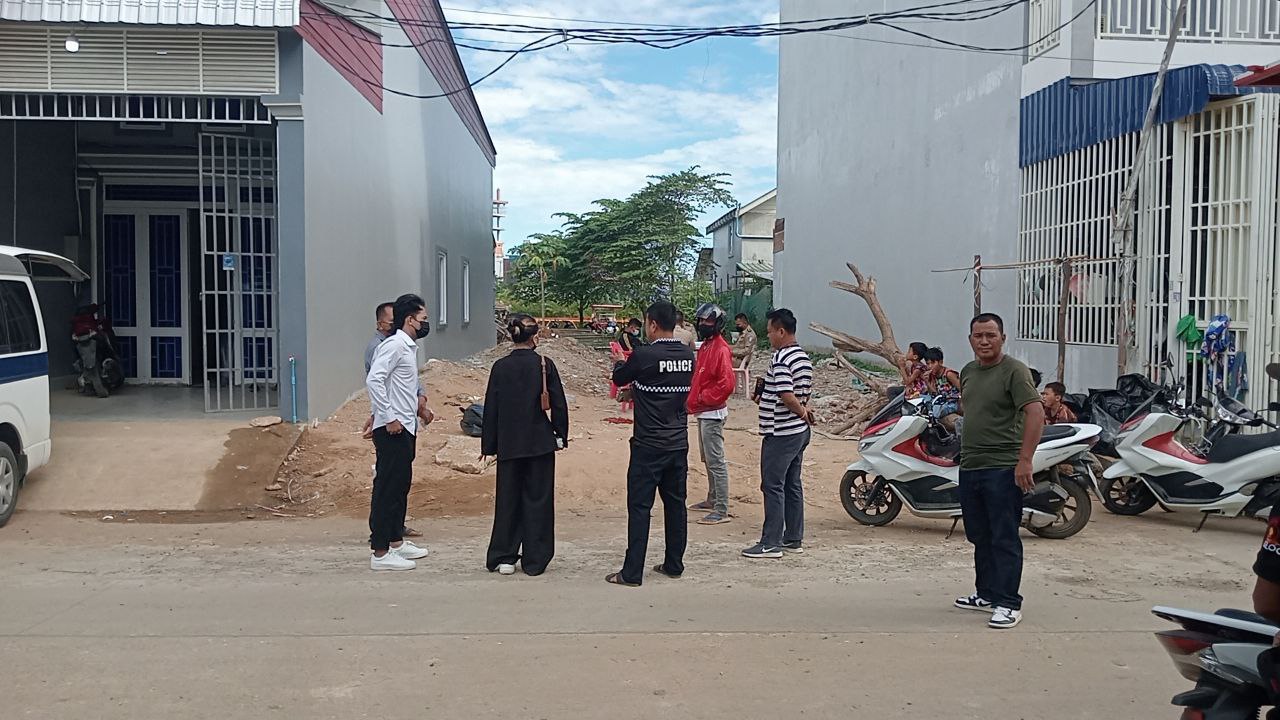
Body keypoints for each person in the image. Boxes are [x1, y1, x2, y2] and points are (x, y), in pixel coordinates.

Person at [953, 312, 1044, 629]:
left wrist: (1025, 460)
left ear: (1002, 338)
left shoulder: (1014, 371)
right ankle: (986, 593)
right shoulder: (968, 372)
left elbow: (1035, 412)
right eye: (978, 335)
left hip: (1002, 467)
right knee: (979, 534)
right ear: (970, 339)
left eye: (991, 335)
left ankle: (1008, 602)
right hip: (971, 465)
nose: (984, 341)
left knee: (1004, 535)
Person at [605, 301, 695, 586]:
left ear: (653, 324)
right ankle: (674, 564)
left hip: (648, 444)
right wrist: (638, 391)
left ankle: (632, 572)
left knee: (640, 507)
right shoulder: (688, 355)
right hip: (677, 442)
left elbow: (620, 377)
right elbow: (660, 387)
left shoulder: (645, 355)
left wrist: (619, 361)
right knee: (676, 505)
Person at [480, 313, 569, 577]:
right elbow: (559, 404)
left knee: (507, 500)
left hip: (509, 442)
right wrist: (560, 434)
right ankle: (535, 560)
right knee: (538, 499)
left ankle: (504, 557)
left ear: (511, 336)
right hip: (539, 442)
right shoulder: (545, 364)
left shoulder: (500, 367)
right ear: (535, 336)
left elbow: (491, 407)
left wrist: (489, 445)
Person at [365, 294, 434, 571]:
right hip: (393, 428)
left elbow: (400, 387)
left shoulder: (407, 347)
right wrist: (388, 417)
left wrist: (419, 411)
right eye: (423, 318)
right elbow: (375, 379)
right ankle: (380, 552)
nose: (425, 323)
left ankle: (396, 541)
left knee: (400, 486)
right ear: (410, 319)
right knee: (388, 488)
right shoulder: (394, 345)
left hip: (406, 425)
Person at [743, 308, 814, 559]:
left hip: (782, 432)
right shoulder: (803, 357)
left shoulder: (782, 358)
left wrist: (801, 412)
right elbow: (797, 393)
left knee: (773, 485)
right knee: (792, 484)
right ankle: (793, 537)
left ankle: (770, 542)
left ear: (781, 331)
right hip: (798, 432)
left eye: (770, 331)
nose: (769, 336)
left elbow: (786, 395)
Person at [687, 303, 736, 524]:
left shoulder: (720, 349)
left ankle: (721, 508)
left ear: (717, 324)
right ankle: (712, 498)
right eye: (701, 321)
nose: (702, 324)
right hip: (704, 411)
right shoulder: (707, 346)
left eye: (707, 321)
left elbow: (727, 384)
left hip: (712, 412)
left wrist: (703, 397)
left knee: (716, 461)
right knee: (708, 459)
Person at [922, 346, 961, 420]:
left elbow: (961, 388)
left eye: (933, 363)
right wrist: (927, 381)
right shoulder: (933, 375)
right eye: (928, 364)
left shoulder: (948, 374)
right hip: (940, 401)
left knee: (935, 412)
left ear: (940, 362)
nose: (930, 366)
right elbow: (934, 394)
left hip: (951, 403)